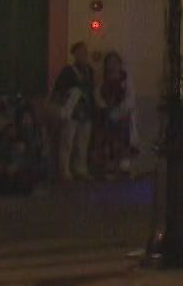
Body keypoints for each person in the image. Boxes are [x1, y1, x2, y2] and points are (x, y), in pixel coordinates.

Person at [49, 42, 96, 182]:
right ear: (75, 54)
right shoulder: (68, 71)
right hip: (72, 111)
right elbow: (59, 91)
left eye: (85, 52)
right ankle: (64, 170)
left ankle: (80, 168)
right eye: (80, 52)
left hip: (86, 111)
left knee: (82, 142)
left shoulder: (89, 71)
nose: (84, 55)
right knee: (67, 142)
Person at [90, 51, 139, 178]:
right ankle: (108, 165)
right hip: (106, 115)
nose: (112, 65)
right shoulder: (102, 79)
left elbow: (130, 97)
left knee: (123, 139)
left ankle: (123, 166)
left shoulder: (126, 79)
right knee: (107, 140)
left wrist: (119, 109)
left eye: (115, 62)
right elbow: (97, 95)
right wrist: (105, 107)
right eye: (110, 62)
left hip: (123, 116)